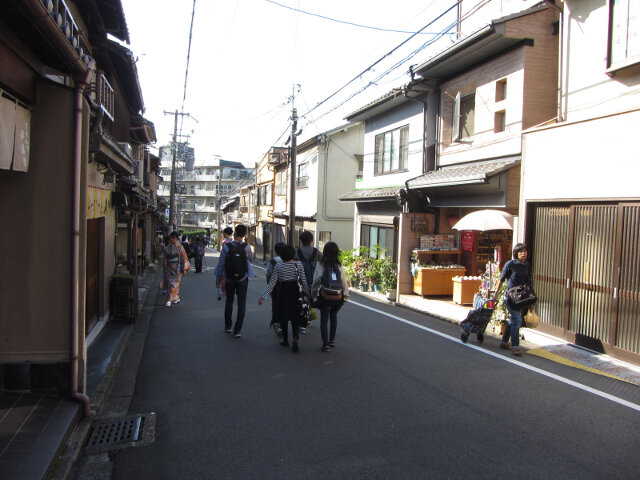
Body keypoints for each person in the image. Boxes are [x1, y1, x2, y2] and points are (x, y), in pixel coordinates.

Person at [259, 244, 308, 353]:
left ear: (281, 256)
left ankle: (285, 340)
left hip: (283, 292)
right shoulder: (298, 264)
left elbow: (272, 283)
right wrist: (308, 294)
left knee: (284, 317)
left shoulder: (278, 266)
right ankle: (295, 338)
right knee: (295, 317)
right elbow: (303, 281)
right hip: (296, 293)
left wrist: (263, 296)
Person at [215, 224, 255, 338]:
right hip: (242, 278)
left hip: (229, 278)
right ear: (244, 235)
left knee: (229, 301)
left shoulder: (227, 246)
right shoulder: (246, 247)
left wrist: (218, 279)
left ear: (235, 233)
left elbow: (221, 262)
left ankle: (228, 326)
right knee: (241, 304)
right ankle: (237, 330)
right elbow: (251, 259)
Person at [492, 243, 531, 357]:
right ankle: (515, 346)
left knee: (512, 320)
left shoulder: (527, 266)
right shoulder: (510, 264)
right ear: (516, 253)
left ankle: (504, 342)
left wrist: (529, 302)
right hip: (509, 296)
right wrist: (495, 295)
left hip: (520, 297)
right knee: (517, 320)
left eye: (525, 251)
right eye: (520, 252)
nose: (523, 254)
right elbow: (502, 280)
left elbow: (527, 283)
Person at [311, 241, 349, 352]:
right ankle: (332, 340)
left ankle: (325, 344)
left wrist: (312, 294)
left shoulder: (320, 264)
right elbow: (343, 281)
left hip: (325, 296)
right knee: (333, 316)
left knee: (324, 319)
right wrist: (345, 295)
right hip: (337, 297)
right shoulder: (339, 265)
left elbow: (316, 281)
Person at [294, 231, 320, 333]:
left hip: (300, 280)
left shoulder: (297, 252)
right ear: (311, 241)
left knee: (302, 301)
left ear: (301, 241)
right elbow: (323, 261)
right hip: (313, 280)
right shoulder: (316, 252)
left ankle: (303, 324)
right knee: (309, 300)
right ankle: (307, 319)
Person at [163, 231, 190, 307]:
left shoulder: (180, 247)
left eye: (172, 238)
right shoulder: (168, 247)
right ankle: (175, 298)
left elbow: (183, 258)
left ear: (175, 238)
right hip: (169, 267)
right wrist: (164, 267)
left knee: (174, 284)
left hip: (177, 268)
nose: (171, 239)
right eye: (170, 238)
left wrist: (184, 268)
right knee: (169, 283)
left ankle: (169, 299)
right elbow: (165, 258)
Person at [266, 242, 286, 335]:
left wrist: (269, 285)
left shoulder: (273, 261)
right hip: (286, 287)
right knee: (284, 306)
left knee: (275, 305)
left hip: (275, 287)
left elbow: (268, 274)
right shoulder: (288, 261)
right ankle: (282, 324)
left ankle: (276, 323)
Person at [220, 227, 234, 294]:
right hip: (232, 260)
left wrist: (221, 259)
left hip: (225, 260)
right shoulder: (232, 241)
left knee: (224, 275)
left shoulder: (225, 242)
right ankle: (230, 288)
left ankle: (224, 289)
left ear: (225, 233)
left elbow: (223, 252)